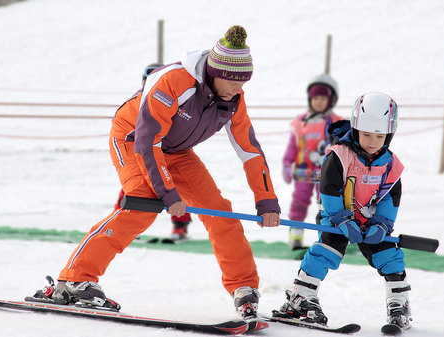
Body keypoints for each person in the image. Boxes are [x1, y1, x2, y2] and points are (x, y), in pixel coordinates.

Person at [52, 25, 281, 320]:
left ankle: (244, 288)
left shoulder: (234, 98)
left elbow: (249, 150)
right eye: (233, 81)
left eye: (243, 82)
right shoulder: (174, 81)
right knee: (143, 205)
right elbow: (148, 141)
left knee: (220, 211)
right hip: (133, 139)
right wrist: (167, 193)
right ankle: (74, 280)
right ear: (214, 71)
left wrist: (266, 201)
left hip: (177, 151)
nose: (238, 88)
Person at [273, 92, 412, 331]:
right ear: (356, 129)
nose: (372, 141)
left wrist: (382, 223)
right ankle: (300, 298)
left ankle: (400, 305)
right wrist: (340, 218)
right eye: (366, 134)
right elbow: (329, 189)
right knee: (327, 250)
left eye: (379, 136)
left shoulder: (390, 164)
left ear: (389, 135)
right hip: (335, 216)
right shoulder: (339, 155)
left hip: (370, 221)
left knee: (389, 256)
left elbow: (390, 197)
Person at [113, 62, 193, 240]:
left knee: (175, 187)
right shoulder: (139, 101)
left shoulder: (171, 97)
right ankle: (122, 220)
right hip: (144, 150)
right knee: (134, 185)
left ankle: (180, 226)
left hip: (166, 149)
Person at [282, 74, 342, 249]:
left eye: (323, 98)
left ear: (330, 100)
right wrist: (287, 163)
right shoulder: (301, 122)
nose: (318, 102)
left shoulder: (335, 122)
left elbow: (342, 146)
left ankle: (326, 237)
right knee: (299, 201)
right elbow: (293, 146)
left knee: (325, 203)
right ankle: (296, 234)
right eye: (315, 98)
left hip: (326, 173)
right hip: (303, 172)